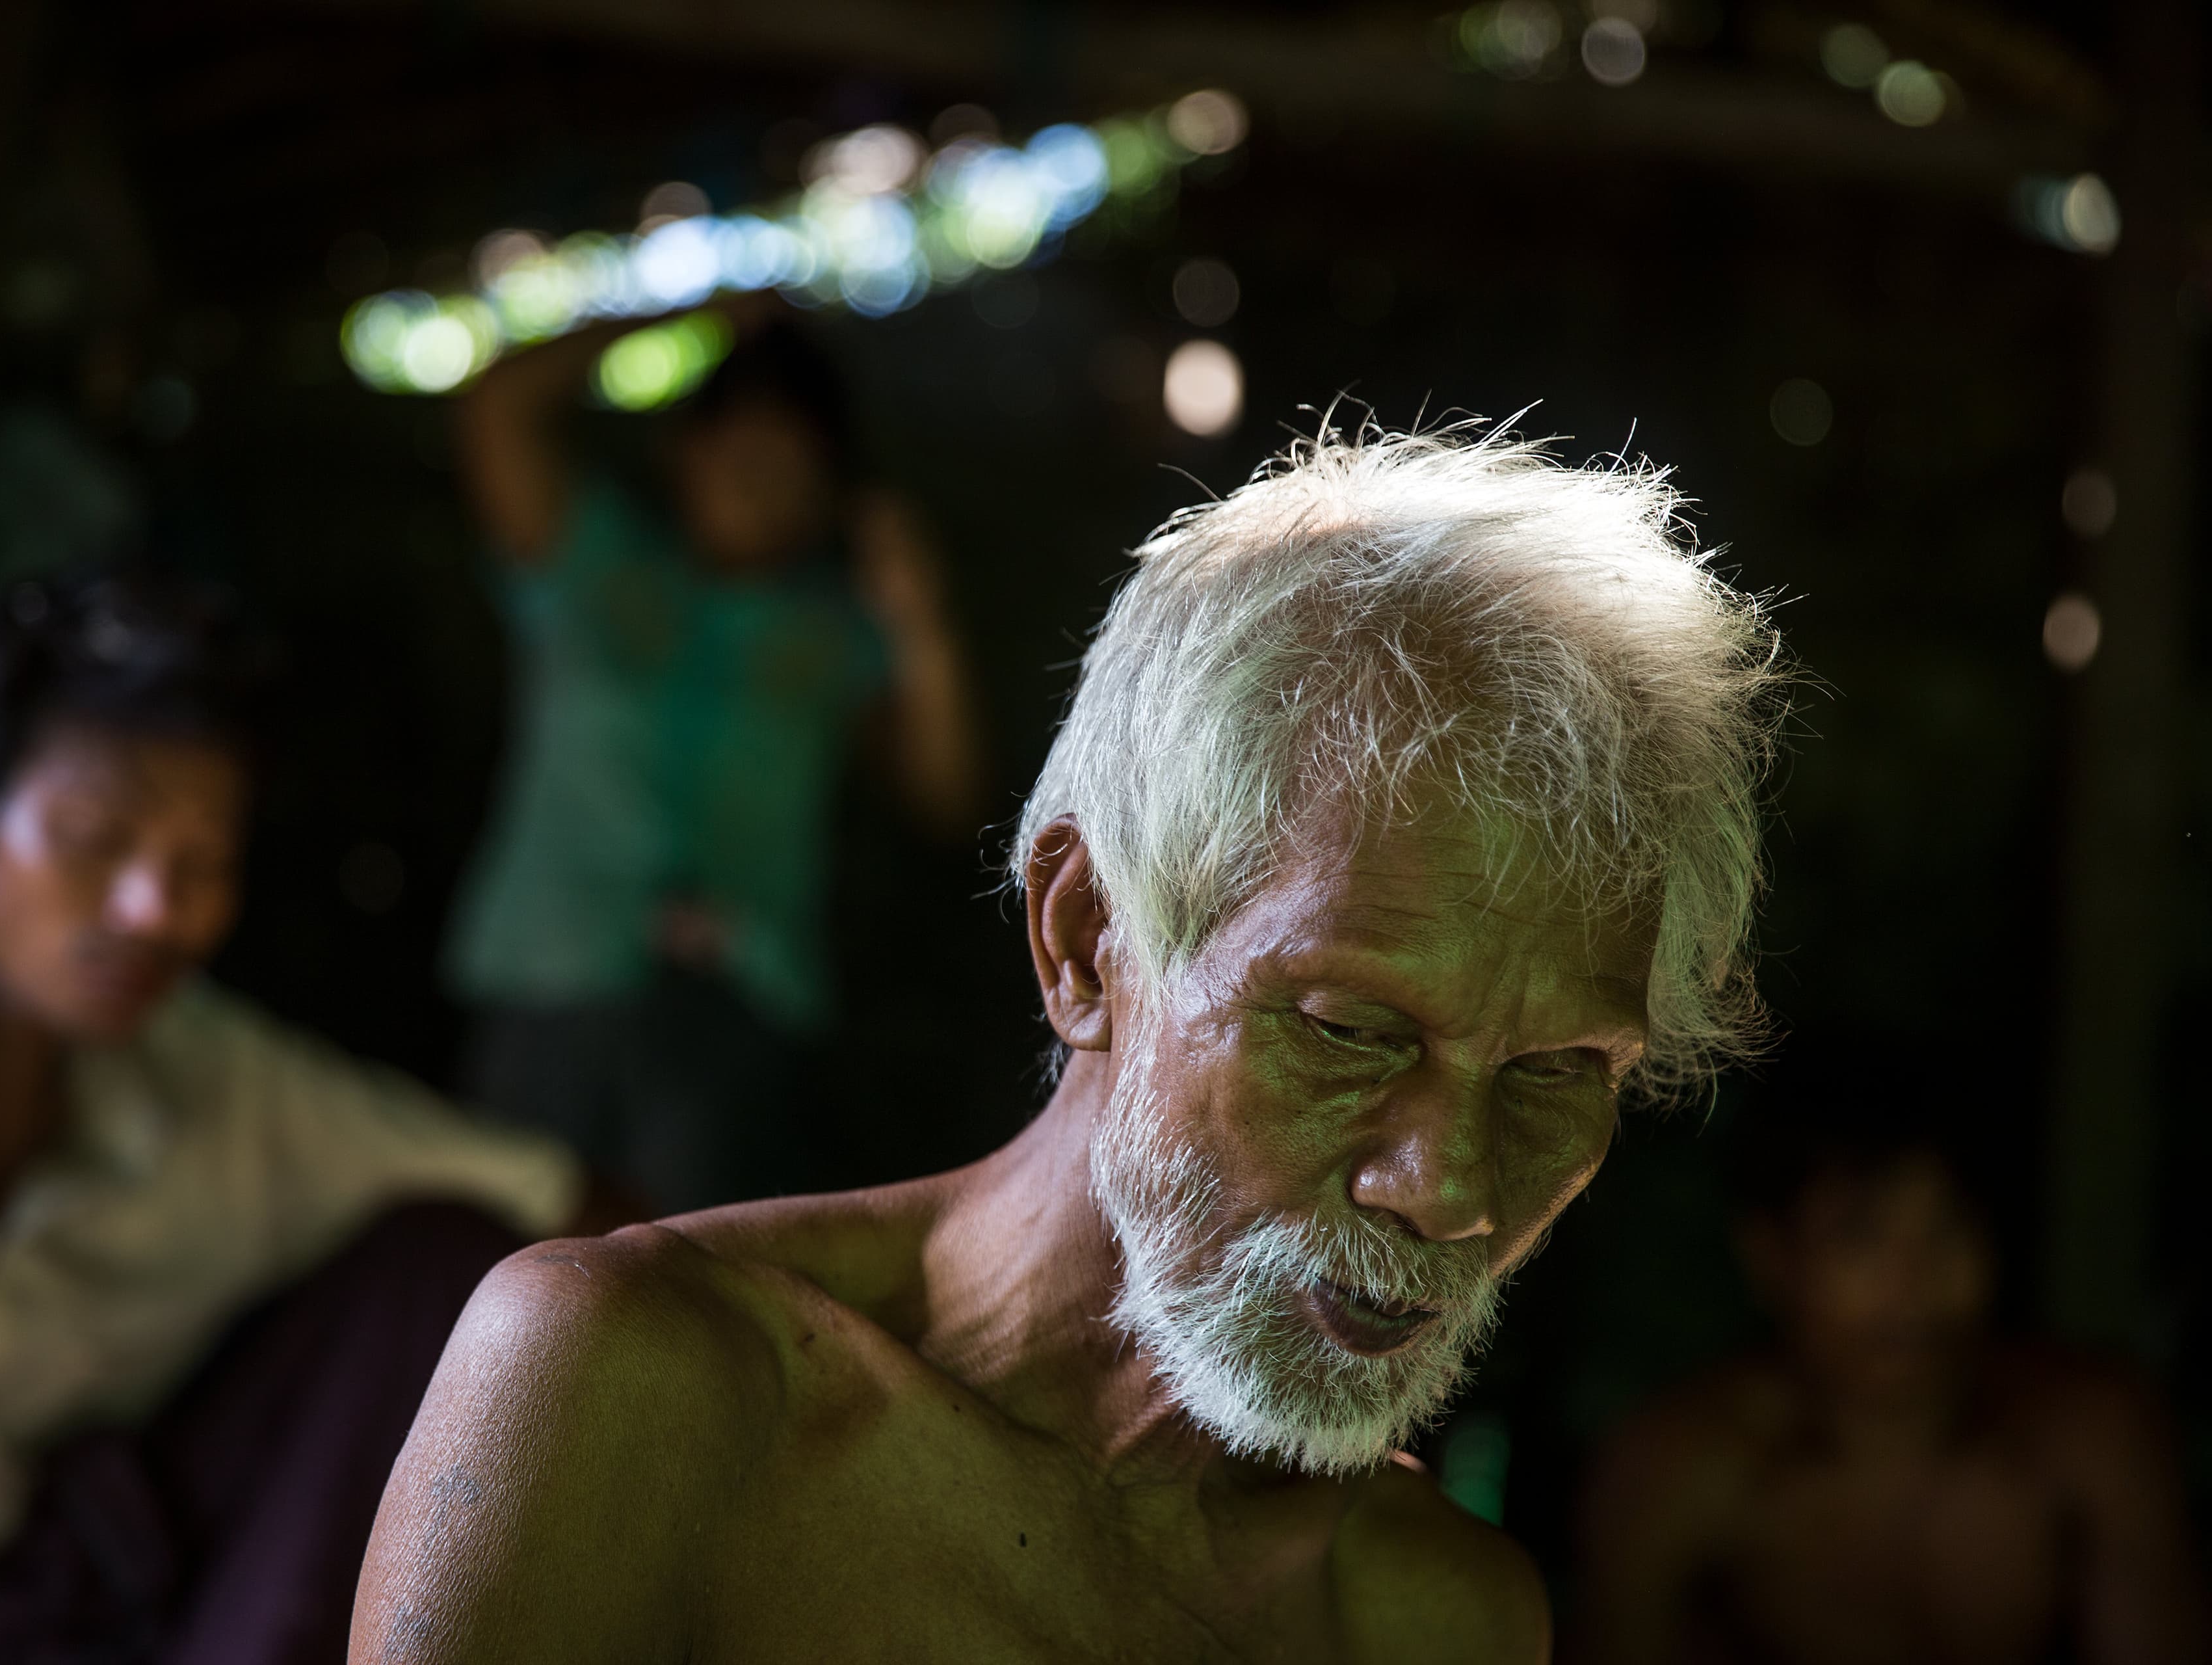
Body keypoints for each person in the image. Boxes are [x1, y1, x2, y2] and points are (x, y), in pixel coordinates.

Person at [352, 425, 1789, 1660]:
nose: (1453, 1185)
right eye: (1350, 1030)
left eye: (1558, 1071)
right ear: (1087, 935)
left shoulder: (1431, 1615)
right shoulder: (645, 1391)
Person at [0, 571, 588, 1665]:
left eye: (203, 866)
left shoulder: (215, 1081)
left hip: (17, 1632)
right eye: (93, 838)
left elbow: (559, 1202)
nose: (154, 911)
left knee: (457, 1267)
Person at [445, 305, 981, 1214]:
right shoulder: (589, 562)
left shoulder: (834, 637)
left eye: (790, 467)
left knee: (683, 1308)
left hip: (739, 1015)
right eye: (739, 453)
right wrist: (706, 313)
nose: (761, 484)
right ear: (680, 452)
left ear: (831, 493)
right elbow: (497, 404)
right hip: (546, 984)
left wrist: (919, 620)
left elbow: (945, 796)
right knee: (503, 1279)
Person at [1571, 1046, 2205, 1664]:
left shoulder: (2088, 1436)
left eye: (1950, 1225)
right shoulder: (1681, 1469)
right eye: (1863, 1235)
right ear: (1771, 1256)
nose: (1917, 1282)